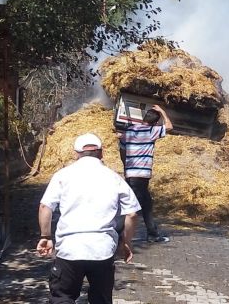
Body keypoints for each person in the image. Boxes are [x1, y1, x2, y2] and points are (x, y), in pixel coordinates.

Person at [36, 133, 141, 304]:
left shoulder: (63, 175)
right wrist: (126, 242)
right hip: (102, 250)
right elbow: (132, 213)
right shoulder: (114, 178)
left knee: (62, 298)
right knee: (101, 300)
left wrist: (46, 237)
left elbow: (45, 207)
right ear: (101, 153)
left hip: (69, 249)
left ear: (76, 154)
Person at [118, 104, 172, 243]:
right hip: (141, 175)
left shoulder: (129, 131)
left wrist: (126, 166)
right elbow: (170, 126)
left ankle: (152, 233)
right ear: (155, 122)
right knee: (132, 207)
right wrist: (162, 112)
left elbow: (122, 151)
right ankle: (117, 234)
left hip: (130, 173)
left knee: (146, 204)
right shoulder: (151, 131)